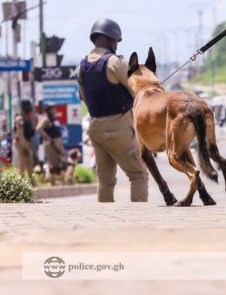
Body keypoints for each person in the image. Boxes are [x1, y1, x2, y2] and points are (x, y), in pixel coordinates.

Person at [77, 18, 149, 202]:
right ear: (111, 40)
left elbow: (83, 97)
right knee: (139, 175)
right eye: (116, 42)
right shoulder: (115, 63)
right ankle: (139, 220)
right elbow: (136, 90)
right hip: (118, 128)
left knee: (106, 180)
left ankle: (104, 222)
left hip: (95, 128)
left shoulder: (81, 66)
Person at [36, 103, 67, 185]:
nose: (55, 109)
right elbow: (39, 129)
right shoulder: (46, 119)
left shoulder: (53, 118)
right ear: (49, 110)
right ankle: (52, 182)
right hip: (52, 143)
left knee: (60, 162)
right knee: (53, 163)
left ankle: (58, 181)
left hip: (57, 141)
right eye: (53, 108)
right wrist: (48, 138)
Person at [13, 100, 36, 184]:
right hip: (22, 143)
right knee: (22, 165)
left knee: (30, 164)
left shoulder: (25, 117)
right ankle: (20, 183)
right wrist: (25, 146)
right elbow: (20, 134)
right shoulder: (20, 119)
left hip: (26, 143)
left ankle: (32, 182)